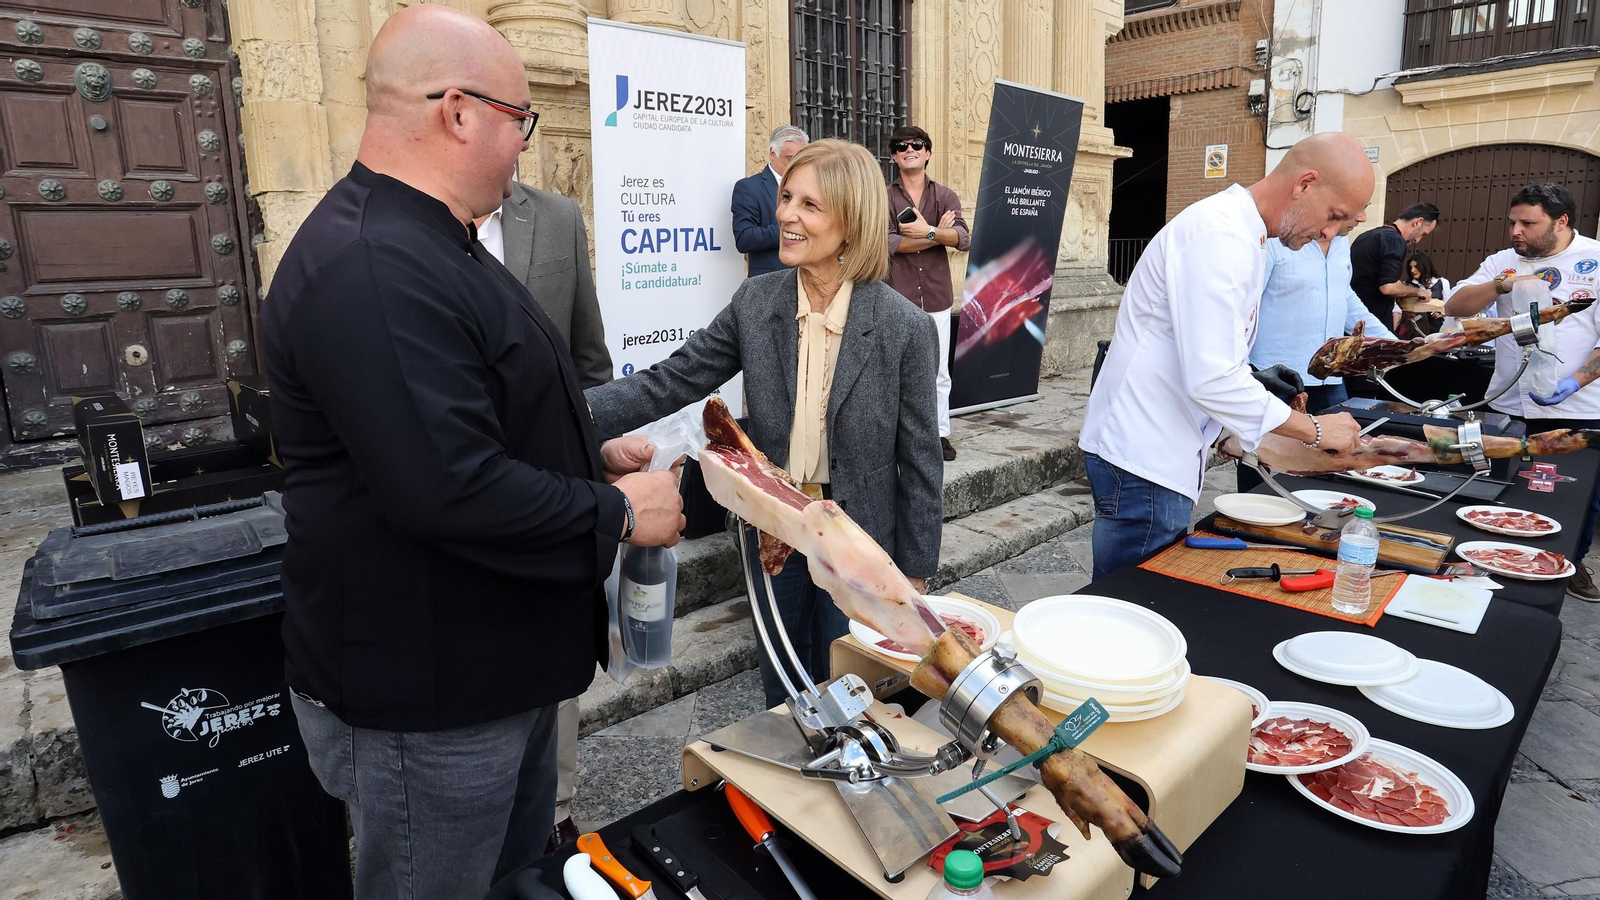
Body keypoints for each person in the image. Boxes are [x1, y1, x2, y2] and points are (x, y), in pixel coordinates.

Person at [261, 8, 685, 899]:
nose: (525, 144)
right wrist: (616, 512)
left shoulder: (437, 235)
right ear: (458, 111)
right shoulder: (373, 263)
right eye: (520, 119)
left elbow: (475, 414)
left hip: (500, 673)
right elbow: (446, 487)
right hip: (433, 703)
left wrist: (583, 456)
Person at [587, 139, 942, 707]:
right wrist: (573, 411)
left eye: (809, 205)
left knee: (857, 692)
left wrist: (917, 576)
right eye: (785, 197)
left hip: (861, 542)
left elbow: (920, 460)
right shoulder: (756, 302)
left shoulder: (904, 328)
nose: (785, 216)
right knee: (784, 690)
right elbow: (674, 378)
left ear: (851, 220)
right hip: (772, 531)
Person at [1079, 132, 1372, 580]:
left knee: (1137, 603)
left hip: (1161, 450)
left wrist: (1231, 434)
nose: (1327, 234)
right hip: (1146, 457)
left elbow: (1201, 359)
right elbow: (1213, 377)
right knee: (1128, 609)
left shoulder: (1243, 234)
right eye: (1333, 217)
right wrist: (1312, 429)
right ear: (1305, 183)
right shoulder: (1220, 235)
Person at [474, 177, 612, 854]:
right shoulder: (403, 232)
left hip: (555, 490)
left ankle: (554, 812)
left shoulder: (557, 218)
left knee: (554, 657)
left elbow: (589, 358)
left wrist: (594, 446)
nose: (523, 139)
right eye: (514, 117)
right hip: (457, 493)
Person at [1444, 183, 1600, 602]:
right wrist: (1501, 286)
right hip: (1508, 403)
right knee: (1503, 493)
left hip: (1577, 409)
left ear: (1561, 221)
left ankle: (1571, 561)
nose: (1517, 231)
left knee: (1572, 499)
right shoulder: (1503, 261)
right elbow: (1455, 307)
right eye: (1513, 221)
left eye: (1528, 223)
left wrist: (1574, 382)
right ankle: (1498, 562)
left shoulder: (1595, 260)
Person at [1242, 222, 1398, 491]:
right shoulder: (1276, 240)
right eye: (1355, 207)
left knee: (1338, 464)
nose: (1362, 216)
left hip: (1330, 379)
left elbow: (1345, 297)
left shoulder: (1340, 244)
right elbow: (1245, 306)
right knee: (1266, 471)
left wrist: (1392, 345)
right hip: (1275, 378)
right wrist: (1241, 372)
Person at [885, 125, 971, 462]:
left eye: (917, 145)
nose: (910, 150)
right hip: (897, 296)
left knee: (937, 370)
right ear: (894, 155)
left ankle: (940, 434)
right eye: (902, 146)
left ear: (928, 152)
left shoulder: (945, 196)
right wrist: (937, 234)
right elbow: (887, 242)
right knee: (896, 370)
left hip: (935, 296)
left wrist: (927, 229)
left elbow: (963, 239)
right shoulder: (884, 196)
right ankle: (897, 436)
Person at [732, 125, 809, 277]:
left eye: (801, 159)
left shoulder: (810, 187)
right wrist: (791, 231)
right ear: (772, 153)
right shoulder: (749, 187)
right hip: (769, 282)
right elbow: (744, 238)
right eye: (791, 159)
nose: (796, 164)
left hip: (808, 278)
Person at [1351, 202, 1440, 327]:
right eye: (1423, 234)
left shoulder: (1366, 236)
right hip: (1371, 322)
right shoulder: (1395, 240)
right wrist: (1420, 292)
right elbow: (1388, 286)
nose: (1417, 240)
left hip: (1352, 319)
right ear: (1417, 222)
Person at [1396, 250, 1449, 339]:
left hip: (1436, 325)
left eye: (1416, 267)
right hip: (1415, 326)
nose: (1413, 270)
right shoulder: (1407, 285)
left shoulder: (1442, 282)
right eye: (1411, 267)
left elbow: (1448, 303)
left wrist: (1442, 313)